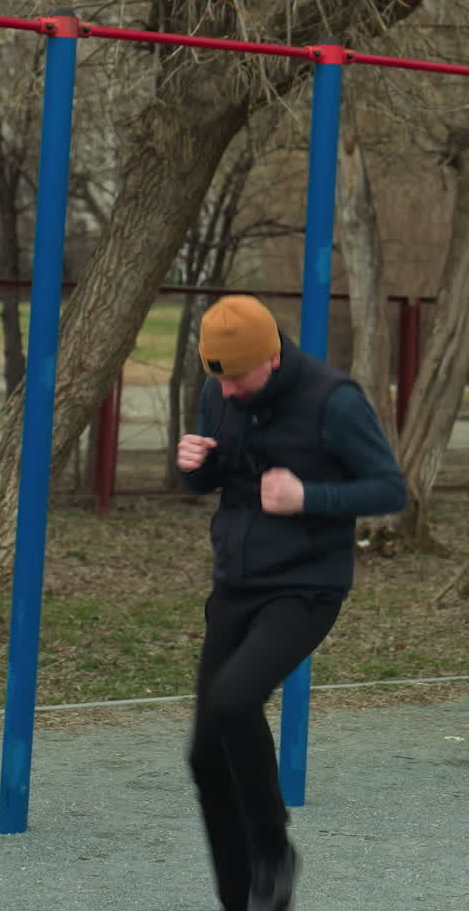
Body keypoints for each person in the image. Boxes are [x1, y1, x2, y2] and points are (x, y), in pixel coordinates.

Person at [177, 295, 406, 911]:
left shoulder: (334, 401)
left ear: (273, 357)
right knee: (204, 756)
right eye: (217, 379)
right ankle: (242, 898)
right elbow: (215, 478)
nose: (225, 393)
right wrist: (196, 468)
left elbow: (390, 489)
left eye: (238, 379)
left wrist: (308, 495)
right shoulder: (220, 386)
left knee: (234, 699)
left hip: (307, 585)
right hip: (235, 582)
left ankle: (274, 849)